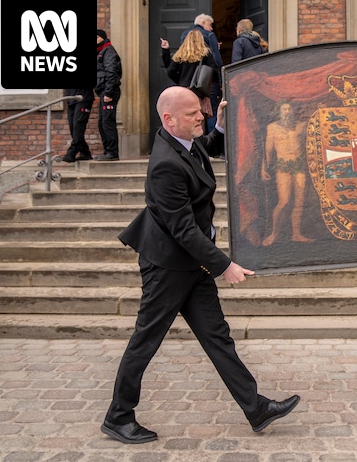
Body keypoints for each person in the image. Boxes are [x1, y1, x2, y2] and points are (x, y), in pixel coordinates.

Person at [101, 86, 299, 444]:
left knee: (217, 337)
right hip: (168, 265)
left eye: (201, 110)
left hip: (192, 263)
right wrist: (225, 265)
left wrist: (221, 128)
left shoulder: (182, 144)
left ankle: (255, 408)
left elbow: (201, 146)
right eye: (193, 113)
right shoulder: (164, 165)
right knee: (146, 339)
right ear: (168, 119)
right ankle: (118, 417)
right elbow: (183, 230)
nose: (201, 116)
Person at [261, 101, 312, 246]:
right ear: (280, 111)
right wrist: (263, 169)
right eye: (284, 109)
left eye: (289, 109)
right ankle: (274, 234)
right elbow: (268, 151)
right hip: (283, 167)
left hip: (299, 166)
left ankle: (296, 234)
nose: (287, 111)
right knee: (284, 201)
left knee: (299, 203)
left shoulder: (301, 126)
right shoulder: (272, 128)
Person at [160, 30, 218, 120]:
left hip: (184, 91)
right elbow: (214, 72)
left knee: (185, 117)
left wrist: (181, 81)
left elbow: (170, 71)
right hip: (200, 91)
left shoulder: (180, 54)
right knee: (201, 118)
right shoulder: (206, 53)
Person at [182, 14, 223, 133]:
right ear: (203, 22)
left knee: (189, 111)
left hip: (188, 83)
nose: (211, 28)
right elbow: (216, 60)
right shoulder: (209, 35)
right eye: (210, 25)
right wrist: (220, 81)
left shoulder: (184, 34)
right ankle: (212, 142)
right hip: (207, 81)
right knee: (211, 111)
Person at [94, 29, 121, 161]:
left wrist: (109, 92)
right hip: (103, 91)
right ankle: (107, 151)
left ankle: (112, 152)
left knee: (107, 122)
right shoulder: (101, 51)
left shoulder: (108, 51)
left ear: (100, 38)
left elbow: (112, 72)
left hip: (109, 92)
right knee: (102, 122)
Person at [60, 87, 94, 162]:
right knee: (73, 127)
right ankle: (85, 152)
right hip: (71, 98)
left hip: (83, 98)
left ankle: (72, 152)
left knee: (78, 125)